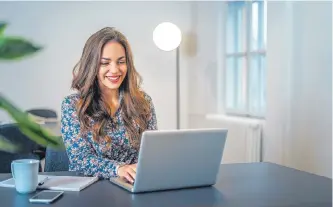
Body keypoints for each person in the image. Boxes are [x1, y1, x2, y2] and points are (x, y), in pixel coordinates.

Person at [60, 27, 157, 183]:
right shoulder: (72, 105)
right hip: (92, 189)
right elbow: (80, 160)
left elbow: (151, 152)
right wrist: (119, 169)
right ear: (92, 66)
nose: (115, 70)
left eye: (121, 62)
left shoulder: (143, 101)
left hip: (134, 184)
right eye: (105, 63)